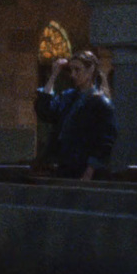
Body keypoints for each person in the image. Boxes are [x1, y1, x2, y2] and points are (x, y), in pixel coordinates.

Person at [35, 49, 117, 180]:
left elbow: (105, 141)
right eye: (71, 70)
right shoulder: (68, 97)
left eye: (77, 70)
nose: (73, 75)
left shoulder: (101, 103)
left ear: (90, 71)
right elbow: (45, 112)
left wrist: (89, 171)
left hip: (83, 168)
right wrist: (54, 75)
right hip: (63, 165)